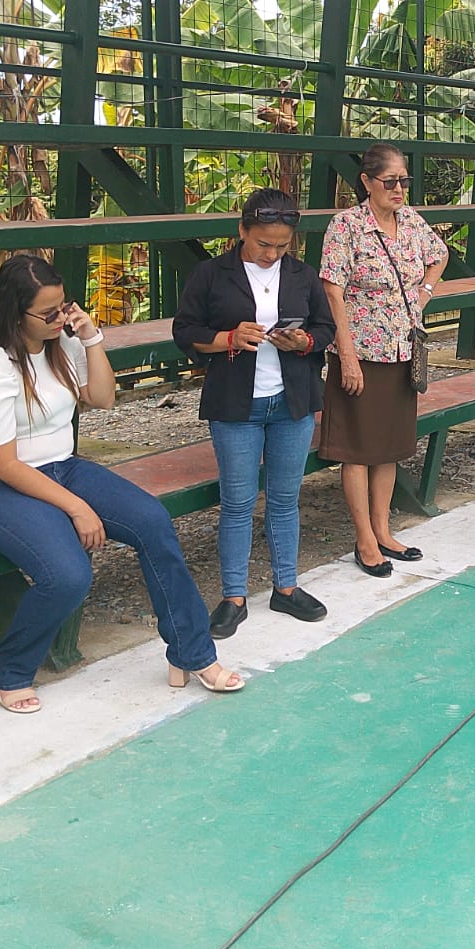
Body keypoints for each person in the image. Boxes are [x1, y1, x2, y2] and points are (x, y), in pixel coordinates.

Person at [0, 254, 243, 714]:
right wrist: (77, 507)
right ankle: (8, 670)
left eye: (62, 307)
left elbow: (103, 397)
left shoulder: (60, 343)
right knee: (68, 575)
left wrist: (90, 338)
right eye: (48, 313)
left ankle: (192, 654)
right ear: (15, 313)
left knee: (153, 521)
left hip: (62, 467)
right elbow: (6, 465)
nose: (59, 319)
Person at [173, 189, 335, 637]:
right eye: (263, 243)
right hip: (235, 403)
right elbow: (184, 330)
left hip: (292, 401)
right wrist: (227, 338)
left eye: (281, 246)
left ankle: (286, 587)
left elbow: (324, 329)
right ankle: (234, 596)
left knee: (285, 499)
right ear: (242, 230)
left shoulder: (302, 275)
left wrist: (302, 342)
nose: (272, 254)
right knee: (238, 502)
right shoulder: (211, 274)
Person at [319, 144, 448, 576]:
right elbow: (332, 291)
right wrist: (347, 355)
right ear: (367, 181)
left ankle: (383, 530)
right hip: (361, 350)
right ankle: (364, 539)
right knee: (358, 449)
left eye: (404, 180)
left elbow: (439, 254)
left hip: (401, 349)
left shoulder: (410, 220)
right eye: (389, 181)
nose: (398, 189)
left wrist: (424, 293)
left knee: (388, 447)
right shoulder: (347, 226)